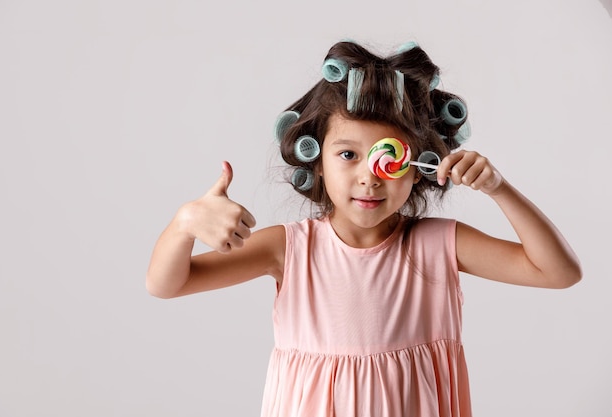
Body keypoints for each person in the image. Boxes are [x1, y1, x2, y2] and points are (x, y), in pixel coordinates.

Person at [146, 40, 582, 417]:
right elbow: (167, 284)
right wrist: (184, 223)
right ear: (317, 162)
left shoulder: (439, 244)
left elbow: (560, 273)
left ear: (417, 166)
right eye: (348, 155)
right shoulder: (289, 249)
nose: (370, 177)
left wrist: (499, 189)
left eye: (386, 157)